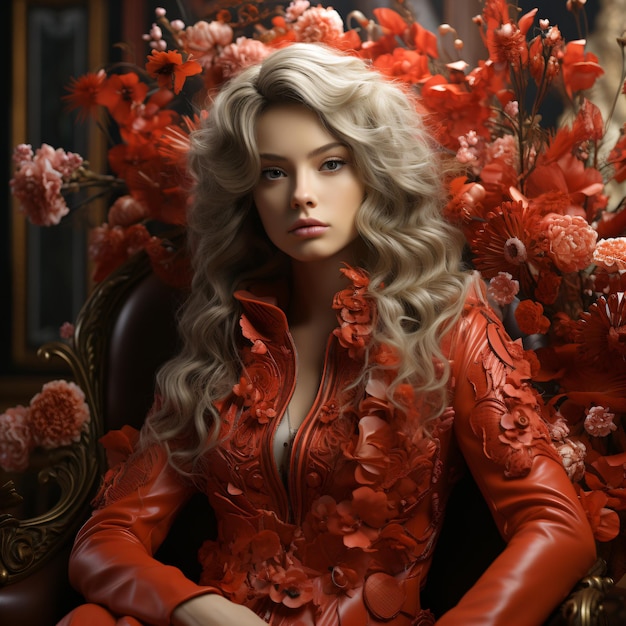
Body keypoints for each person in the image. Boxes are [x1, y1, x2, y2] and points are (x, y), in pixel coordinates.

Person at [58, 43, 596, 626]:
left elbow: (558, 529)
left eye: (331, 163)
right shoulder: (223, 340)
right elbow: (103, 540)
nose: (301, 194)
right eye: (273, 172)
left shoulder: (449, 325)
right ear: (246, 192)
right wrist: (195, 607)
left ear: (373, 170)